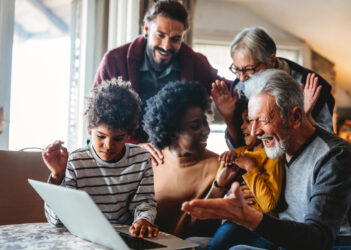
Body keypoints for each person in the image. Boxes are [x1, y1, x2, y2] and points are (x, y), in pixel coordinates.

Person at [182, 70, 351, 249]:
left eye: (262, 120)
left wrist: (250, 217)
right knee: (190, 244)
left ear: (296, 117)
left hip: (319, 245)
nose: (255, 131)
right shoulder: (280, 145)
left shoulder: (335, 157)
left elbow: (318, 239)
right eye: (252, 120)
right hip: (277, 240)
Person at [93, 0, 230, 165]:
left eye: (175, 39)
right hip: (123, 155)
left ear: (183, 37)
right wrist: (134, 148)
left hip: (174, 159)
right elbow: (97, 117)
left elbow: (229, 89)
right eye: (160, 35)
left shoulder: (196, 63)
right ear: (146, 29)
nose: (166, 46)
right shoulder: (114, 61)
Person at [43, 78, 158, 238]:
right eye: (101, 136)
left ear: (129, 134)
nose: (108, 145)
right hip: (83, 238)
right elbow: (56, 221)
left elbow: (144, 203)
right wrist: (58, 176)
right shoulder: (75, 161)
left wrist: (143, 220)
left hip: (123, 238)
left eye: (118, 138)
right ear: (90, 130)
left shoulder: (141, 159)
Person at [211, 26, 335, 149]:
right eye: (237, 70)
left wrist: (305, 118)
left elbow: (328, 143)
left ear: (271, 60)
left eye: (249, 69)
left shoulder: (309, 84)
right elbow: (240, 147)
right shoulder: (239, 87)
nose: (242, 78)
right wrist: (229, 117)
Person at [142, 81, 220, 238]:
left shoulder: (220, 166)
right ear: (172, 132)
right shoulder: (151, 158)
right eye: (195, 126)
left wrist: (220, 187)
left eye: (205, 123)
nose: (206, 131)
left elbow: (205, 232)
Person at [207, 96, 284, 250]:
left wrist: (251, 168)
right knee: (217, 245)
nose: (242, 127)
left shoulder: (274, 156)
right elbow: (220, 193)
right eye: (242, 121)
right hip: (235, 221)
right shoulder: (240, 153)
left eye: (247, 121)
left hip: (263, 223)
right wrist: (225, 163)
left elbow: (268, 205)